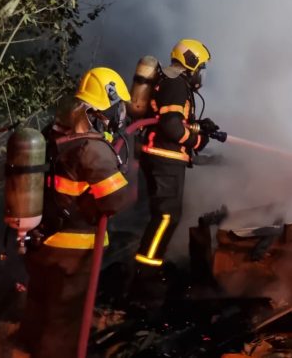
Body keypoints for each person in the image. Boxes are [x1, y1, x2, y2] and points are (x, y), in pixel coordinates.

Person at [15, 67, 133, 357]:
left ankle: (25, 347)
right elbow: (116, 200)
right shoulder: (93, 149)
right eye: (117, 108)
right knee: (65, 321)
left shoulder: (52, 134)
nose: (120, 115)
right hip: (73, 251)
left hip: (40, 239)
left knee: (39, 303)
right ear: (102, 109)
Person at [132, 39, 219, 290]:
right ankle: (145, 275)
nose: (201, 74)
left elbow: (173, 119)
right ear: (191, 65)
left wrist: (199, 126)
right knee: (166, 216)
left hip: (163, 159)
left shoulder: (173, 83)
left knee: (167, 216)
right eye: (200, 68)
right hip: (165, 159)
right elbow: (171, 125)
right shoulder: (175, 84)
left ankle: (148, 270)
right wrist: (197, 141)